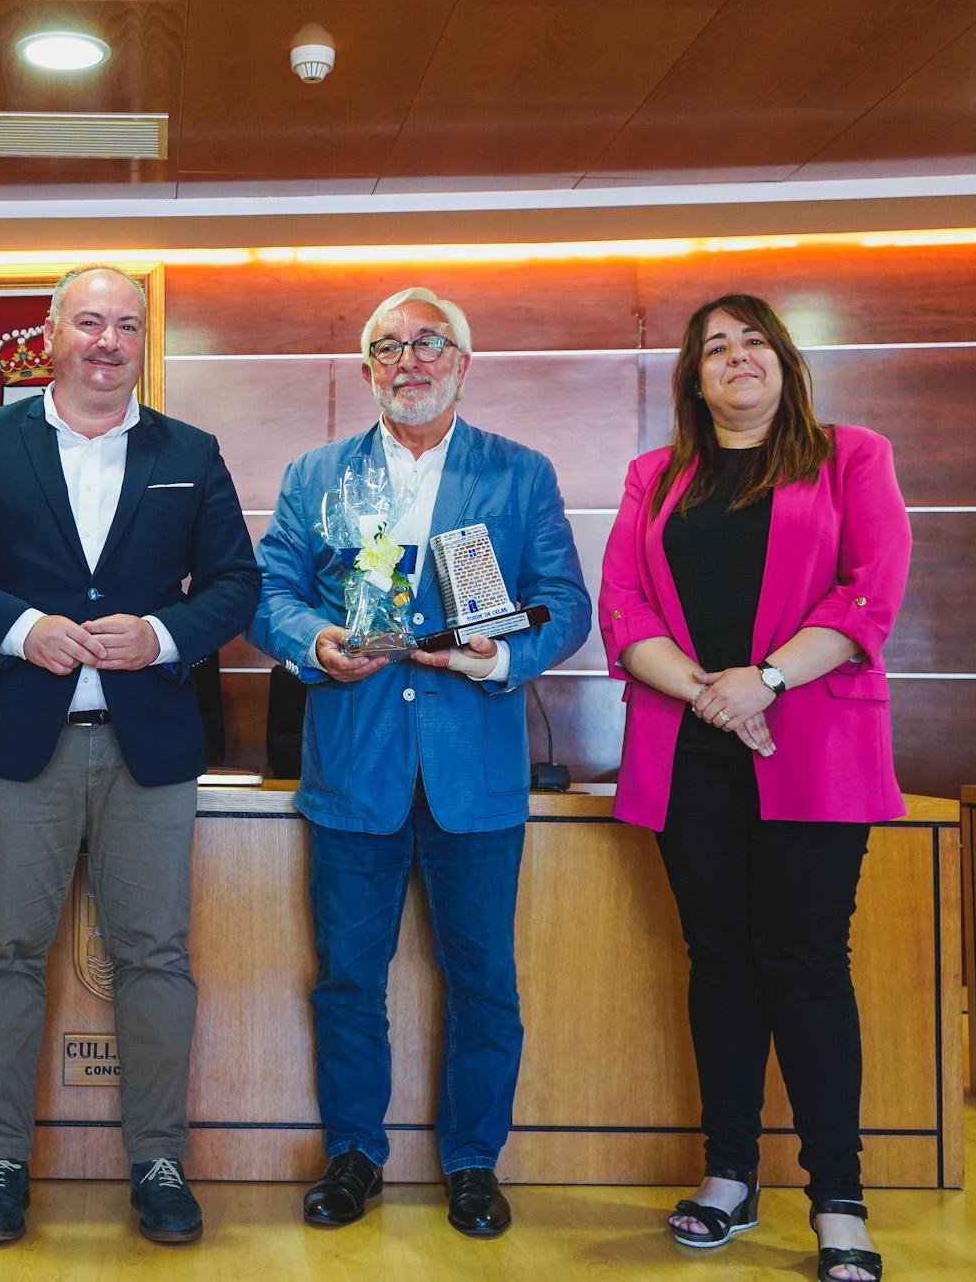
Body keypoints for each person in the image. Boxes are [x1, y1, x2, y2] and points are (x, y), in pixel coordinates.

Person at [0, 265, 260, 1246]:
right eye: (89, 322)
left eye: (127, 326)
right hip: (21, 744)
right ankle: (0, 1163)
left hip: (151, 749)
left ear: (143, 343)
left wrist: (160, 633)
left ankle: (156, 1161)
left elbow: (234, 583)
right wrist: (20, 629)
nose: (108, 340)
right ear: (49, 335)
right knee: (5, 954)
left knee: (154, 957)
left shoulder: (190, 450)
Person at [247, 286, 590, 1239]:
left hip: (474, 772)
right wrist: (314, 642)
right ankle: (355, 1154)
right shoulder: (316, 474)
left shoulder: (519, 475)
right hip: (353, 767)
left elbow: (567, 603)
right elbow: (268, 591)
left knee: (483, 979)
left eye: (428, 344)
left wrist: (505, 656)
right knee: (348, 978)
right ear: (366, 371)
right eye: (387, 347)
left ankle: (474, 1163)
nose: (409, 361)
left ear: (462, 363)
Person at [598, 293, 908, 1282]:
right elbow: (621, 603)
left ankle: (837, 1199)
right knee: (719, 961)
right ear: (691, 377)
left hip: (811, 745)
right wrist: (710, 693)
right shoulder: (654, 476)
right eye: (714, 348)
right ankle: (727, 1170)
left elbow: (870, 588)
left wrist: (764, 679)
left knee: (805, 963)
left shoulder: (850, 454)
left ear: (782, 360)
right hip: (687, 745)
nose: (735, 358)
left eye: (751, 342)